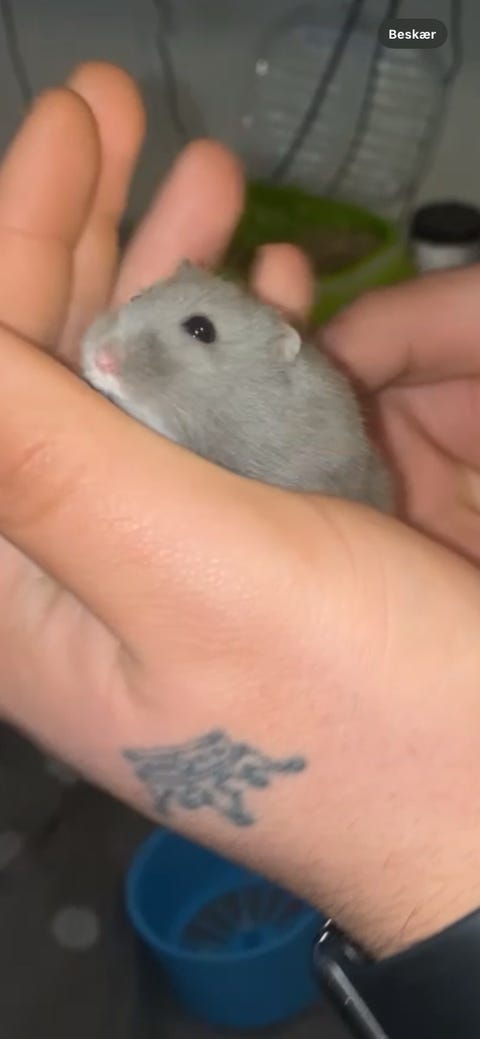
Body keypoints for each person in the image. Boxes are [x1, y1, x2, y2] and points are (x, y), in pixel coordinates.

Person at [1, 59, 480, 974]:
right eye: (137, 312)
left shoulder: (304, 436)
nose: (111, 346)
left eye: (197, 332)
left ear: (281, 359)